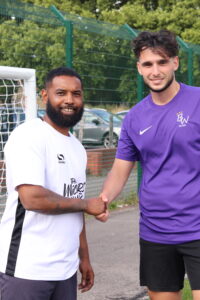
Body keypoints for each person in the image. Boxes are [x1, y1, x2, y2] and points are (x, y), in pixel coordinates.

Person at [97, 30, 200, 300]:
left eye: (162, 62)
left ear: (175, 63)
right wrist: (104, 198)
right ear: (139, 68)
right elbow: (121, 168)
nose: (155, 71)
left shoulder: (198, 101)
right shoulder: (134, 118)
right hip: (156, 231)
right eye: (148, 64)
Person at [0, 67, 106, 300]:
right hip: (27, 269)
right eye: (61, 93)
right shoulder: (28, 135)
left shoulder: (77, 148)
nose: (70, 100)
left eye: (76, 94)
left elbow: (75, 203)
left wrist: (84, 257)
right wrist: (87, 204)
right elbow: (32, 198)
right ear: (45, 96)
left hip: (65, 269)